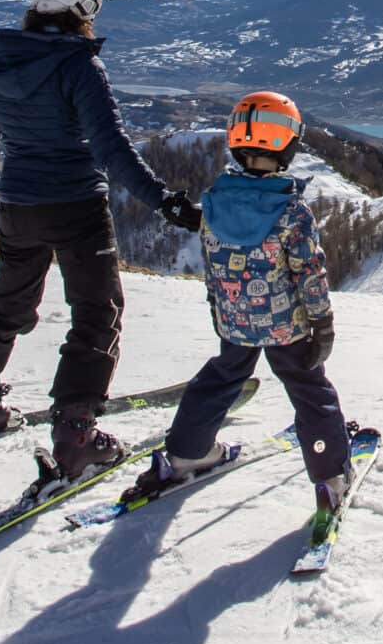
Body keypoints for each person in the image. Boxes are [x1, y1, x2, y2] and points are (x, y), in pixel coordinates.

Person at [0, 0, 201, 479]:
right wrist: (164, 200)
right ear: (84, 4)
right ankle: (77, 435)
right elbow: (111, 148)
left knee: (9, 306)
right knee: (97, 313)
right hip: (76, 207)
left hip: (19, 206)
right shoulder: (80, 65)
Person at [133, 91, 355, 515]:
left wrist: (220, 311)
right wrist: (321, 323)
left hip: (234, 320)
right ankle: (329, 474)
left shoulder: (214, 203)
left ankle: (187, 452)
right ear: (289, 144)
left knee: (220, 379)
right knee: (309, 388)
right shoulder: (291, 211)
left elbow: (215, 266)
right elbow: (309, 273)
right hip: (286, 326)